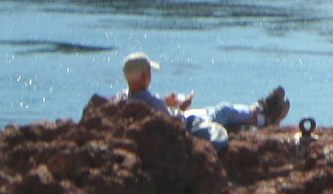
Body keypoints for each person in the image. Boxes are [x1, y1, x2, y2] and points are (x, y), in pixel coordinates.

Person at [120, 52, 288, 148]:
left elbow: (157, 110)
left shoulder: (125, 96)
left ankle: (258, 111)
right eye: (149, 71)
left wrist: (170, 104)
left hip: (182, 117)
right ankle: (262, 115)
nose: (151, 74)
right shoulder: (153, 101)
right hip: (189, 125)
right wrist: (181, 108)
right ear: (143, 76)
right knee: (224, 109)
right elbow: (171, 124)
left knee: (211, 109)